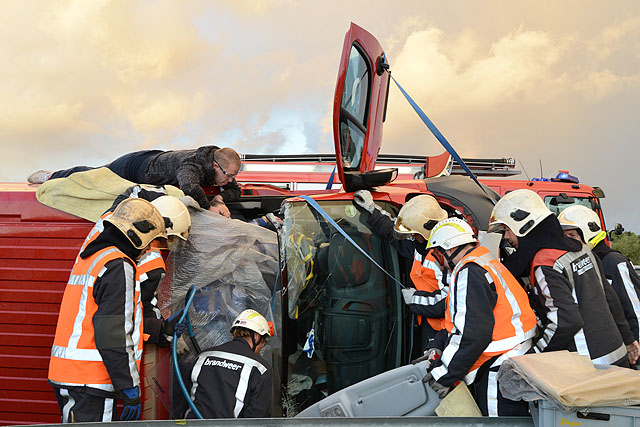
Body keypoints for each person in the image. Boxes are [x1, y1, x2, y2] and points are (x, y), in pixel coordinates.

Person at [48, 198, 167, 422]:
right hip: (91, 382)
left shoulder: (92, 257)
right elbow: (114, 333)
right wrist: (129, 386)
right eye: (150, 243)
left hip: (69, 375)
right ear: (136, 236)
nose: (147, 250)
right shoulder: (118, 266)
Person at [488, 189, 629, 367]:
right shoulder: (581, 248)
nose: (507, 237)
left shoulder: (545, 262)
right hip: (617, 355)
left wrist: (534, 357)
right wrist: (629, 339)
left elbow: (565, 321)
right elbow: (609, 296)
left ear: (523, 226)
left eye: (507, 229)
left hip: (588, 367)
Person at [421, 218, 537, 416]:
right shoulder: (485, 260)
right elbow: (459, 322)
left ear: (448, 249)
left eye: (439, 254)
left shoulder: (469, 271)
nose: (440, 261)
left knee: (497, 420)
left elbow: (472, 334)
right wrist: (439, 344)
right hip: (515, 355)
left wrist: (444, 375)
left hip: (499, 364)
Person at [82, 186, 192, 347]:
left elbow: (133, 192)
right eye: (169, 239)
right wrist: (163, 330)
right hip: (98, 352)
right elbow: (134, 315)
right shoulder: (150, 263)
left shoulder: (113, 218)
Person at [353, 191, 449, 350]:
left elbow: (448, 302)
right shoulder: (419, 246)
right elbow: (392, 232)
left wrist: (414, 298)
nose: (411, 235)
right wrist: (372, 209)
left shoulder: (447, 257)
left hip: (444, 331)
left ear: (424, 231)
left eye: (414, 233)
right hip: (427, 322)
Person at [27, 146, 241, 216]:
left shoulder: (219, 164)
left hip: (155, 158)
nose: (230, 180)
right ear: (215, 166)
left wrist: (219, 200)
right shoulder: (192, 165)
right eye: (228, 175)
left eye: (233, 175)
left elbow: (236, 190)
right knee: (94, 176)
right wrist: (209, 210)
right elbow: (190, 187)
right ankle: (52, 175)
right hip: (134, 167)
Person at [557, 205, 640, 367]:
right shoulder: (579, 264)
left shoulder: (613, 262)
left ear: (588, 232)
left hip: (629, 351)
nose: (567, 241)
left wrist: (634, 344)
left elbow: (635, 309)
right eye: (564, 236)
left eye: (572, 235)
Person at [184, 309, 273, 419]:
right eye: (263, 341)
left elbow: (184, 398)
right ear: (257, 336)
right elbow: (257, 417)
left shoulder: (203, 356)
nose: (261, 347)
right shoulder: (260, 368)